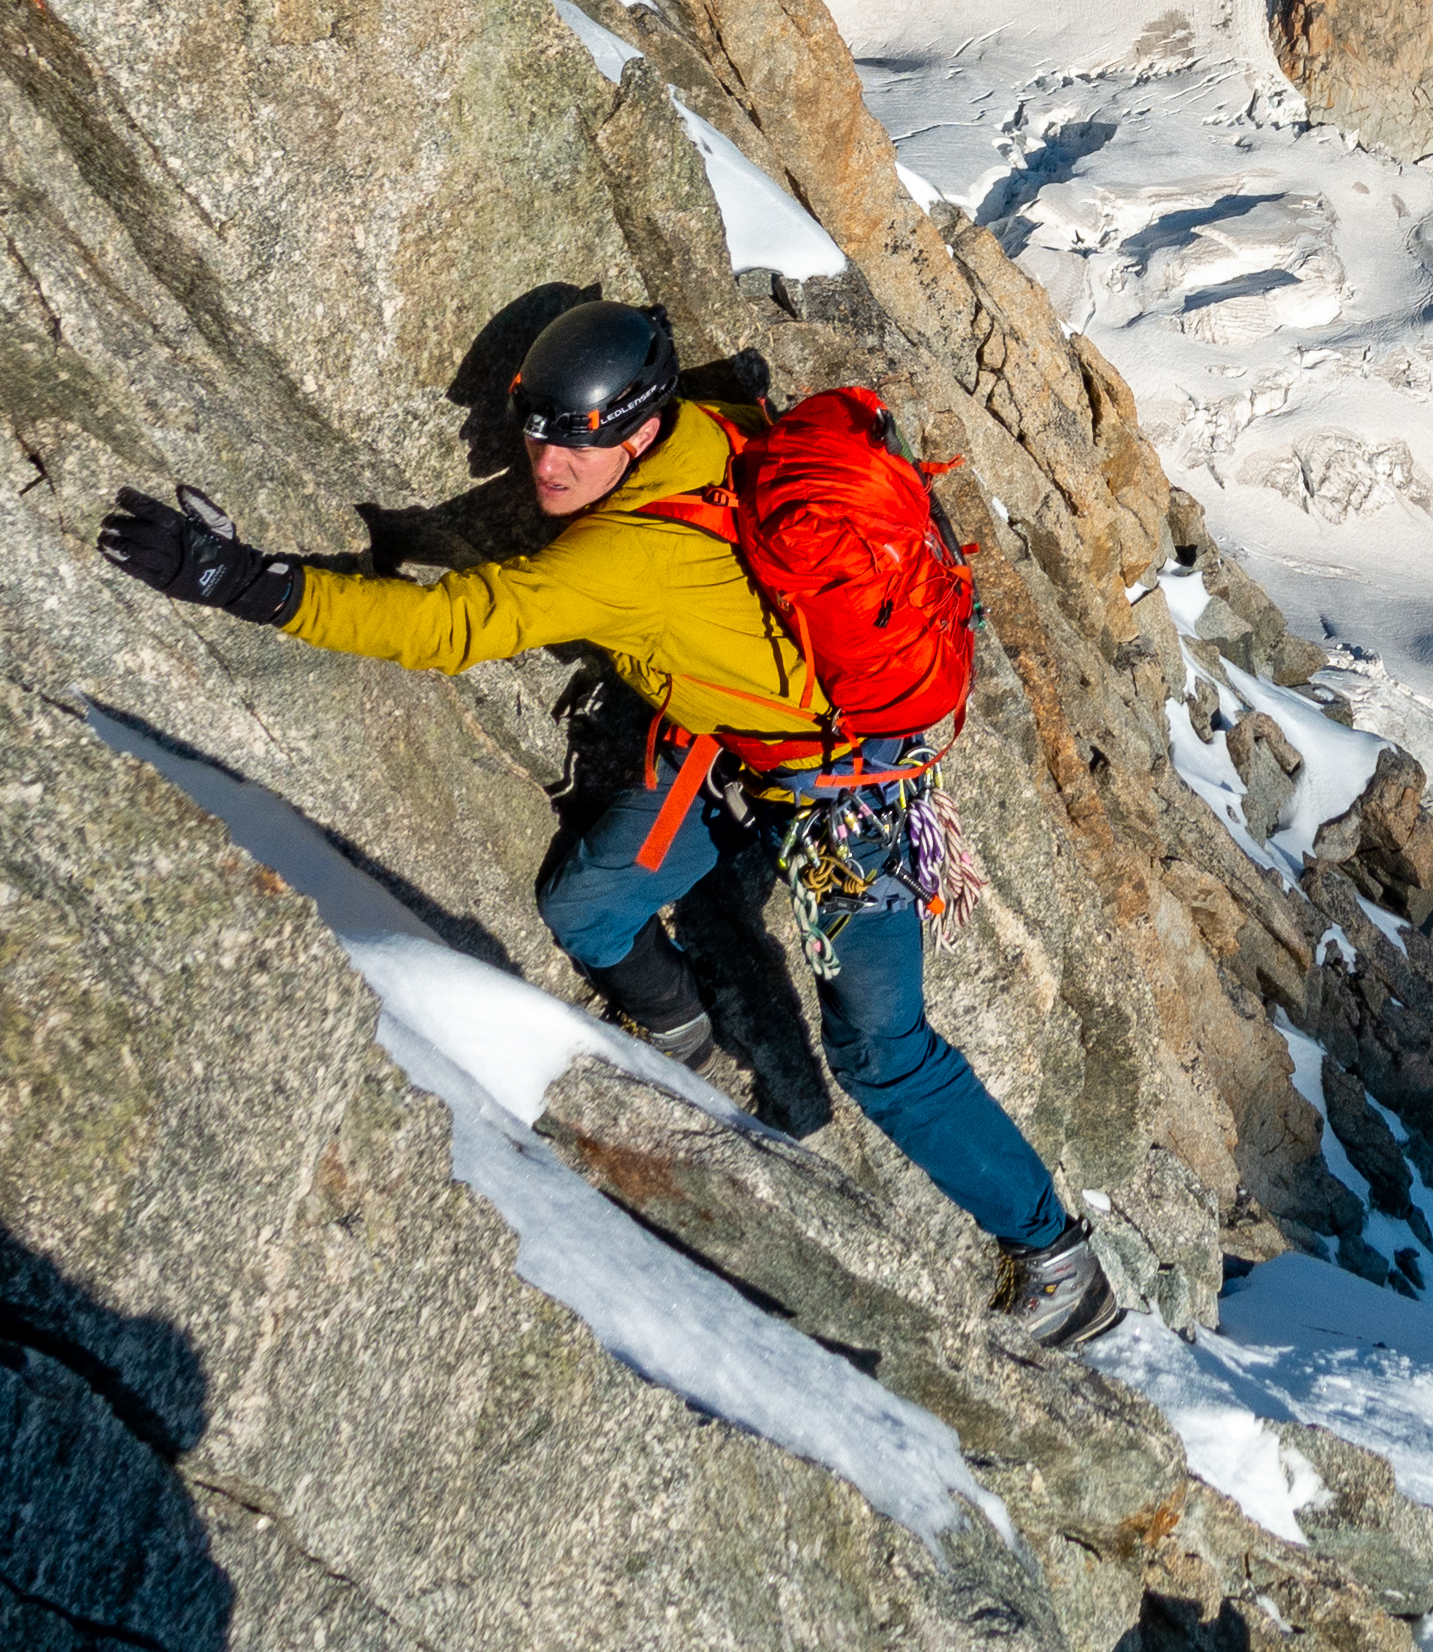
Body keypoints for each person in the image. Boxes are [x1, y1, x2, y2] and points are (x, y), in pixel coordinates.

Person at [100, 298, 1118, 1352]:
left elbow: (450, 626)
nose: (548, 461)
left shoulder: (619, 559)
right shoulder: (709, 429)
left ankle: (1058, 1260)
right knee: (587, 905)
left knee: (879, 1053)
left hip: (845, 801)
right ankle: (675, 1031)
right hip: (738, 751)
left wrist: (246, 583)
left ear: (636, 432)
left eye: (578, 440)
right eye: (536, 430)